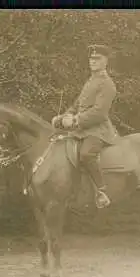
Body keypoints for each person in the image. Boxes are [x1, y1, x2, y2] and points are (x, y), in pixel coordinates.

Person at [52, 44, 118, 208]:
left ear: (106, 61)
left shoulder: (107, 84)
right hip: (81, 130)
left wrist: (75, 120)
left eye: (98, 58)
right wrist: (63, 117)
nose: (93, 61)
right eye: (91, 58)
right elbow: (77, 105)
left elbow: (99, 112)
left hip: (98, 130)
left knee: (86, 154)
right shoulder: (90, 81)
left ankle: (101, 191)